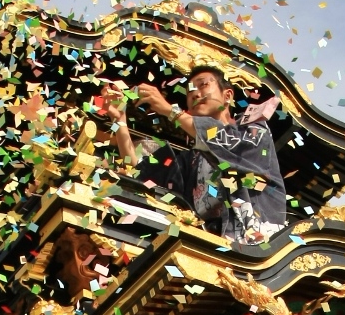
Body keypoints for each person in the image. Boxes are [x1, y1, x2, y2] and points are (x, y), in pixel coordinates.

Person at [106, 66, 288, 245]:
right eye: (190, 91)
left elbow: (224, 143)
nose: (194, 93)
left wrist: (170, 111)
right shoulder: (192, 159)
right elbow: (140, 170)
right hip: (212, 243)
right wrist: (120, 121)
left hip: (260, 241)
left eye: (202, 85)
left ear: (228, 96)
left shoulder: (253, 129)